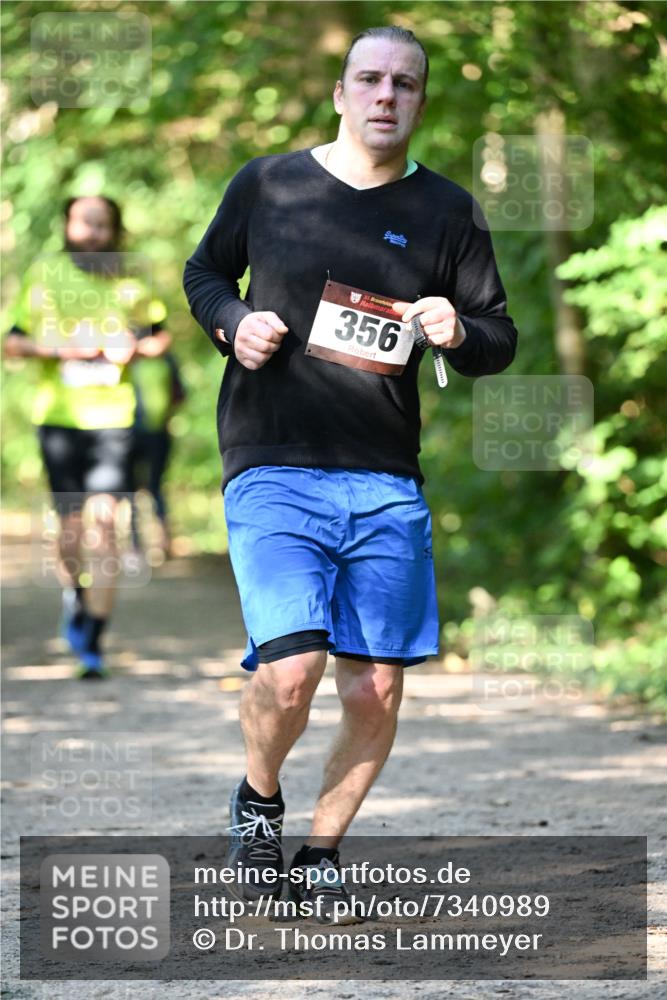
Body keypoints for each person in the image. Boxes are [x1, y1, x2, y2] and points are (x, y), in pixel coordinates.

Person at [183, 26, 518, 921]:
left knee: (374, 684)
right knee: (291, 672)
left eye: (403, 84)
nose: (384, 96)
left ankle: (322, 852)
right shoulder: (269, 182)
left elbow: (496, 337)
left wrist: (458, 329)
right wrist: (232, 322)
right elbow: (205, 272)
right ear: (339, 92)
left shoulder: (448, 210)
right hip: (271, 461)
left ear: (418, 101)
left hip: (382, 476)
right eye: (368, 79)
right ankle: (259, 802)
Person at [4, 196, 170, 678]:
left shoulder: (131, 281)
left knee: (104, 528)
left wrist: (133, 349)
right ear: (68, 226)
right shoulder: (45, 276)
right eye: (85, 223)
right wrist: (58, 349)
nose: (94, 232)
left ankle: (94, 640)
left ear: (115, 231)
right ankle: (75, 596)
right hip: (58, 419)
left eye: (103, 225)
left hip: (113, 421)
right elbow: (11, 342)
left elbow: (160, 337)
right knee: (72, 533)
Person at [129, 349, 185, 558]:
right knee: (152, 487)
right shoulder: (165, 357)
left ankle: (139, 544)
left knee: (136, 488)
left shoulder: (127, 356)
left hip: (135, 430)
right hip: (151, 431)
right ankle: (159, 542)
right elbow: (179, 395)